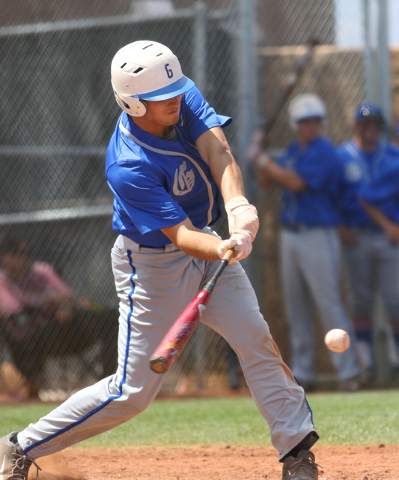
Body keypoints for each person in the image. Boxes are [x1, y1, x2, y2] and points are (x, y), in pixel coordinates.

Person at [0, 41, 320, 480]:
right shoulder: (127, 164)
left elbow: (218, 152)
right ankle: (21, 446)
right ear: (132, 102)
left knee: (255, 339)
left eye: (175, 91)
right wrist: (225, 247)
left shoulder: (178, 96)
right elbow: (183, 236)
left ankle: (297, 453)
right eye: (157, 98)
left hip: (208, 243)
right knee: (131, 393)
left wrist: (239, 205)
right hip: (151, 267)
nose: (173, 100)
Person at [252, 93, 359, 392]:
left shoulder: (324, 151)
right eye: (304, 122)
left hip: (318, 234)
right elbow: (266, 181)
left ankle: (348, 373)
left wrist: (261, 159)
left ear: (321, 123)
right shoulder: (293, 149)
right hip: (291, 235)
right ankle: (304, 374)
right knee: (295, 307)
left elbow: (295, 182)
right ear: (296, 125)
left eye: (314, 122)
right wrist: (261, 155)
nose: (310, 127)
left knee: (329, 304)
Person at [0, 235, 118, 399]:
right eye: (16, 253)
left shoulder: (41, 271)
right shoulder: (2, 281)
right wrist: (48, 301)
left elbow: (68, 295)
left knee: (111, 317)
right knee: (22, 324)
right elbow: (13, 310)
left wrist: (63, 305)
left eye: (25, 252)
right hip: (30, 339)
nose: (23, 257)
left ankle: (108, 382)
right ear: (4, 256)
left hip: (62, 330)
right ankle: (28, 387)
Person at [336, 104, 399, 382]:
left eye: (375, 122)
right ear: (355, 126)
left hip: (389, 238)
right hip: (356, 235)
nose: (371, 127)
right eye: (365, 123)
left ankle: (396, 361)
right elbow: (331, 196)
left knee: (395, 300)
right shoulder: (342, 156)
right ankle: (366, 364)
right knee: (360, 300)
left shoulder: (393, 155)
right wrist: (340, 227)